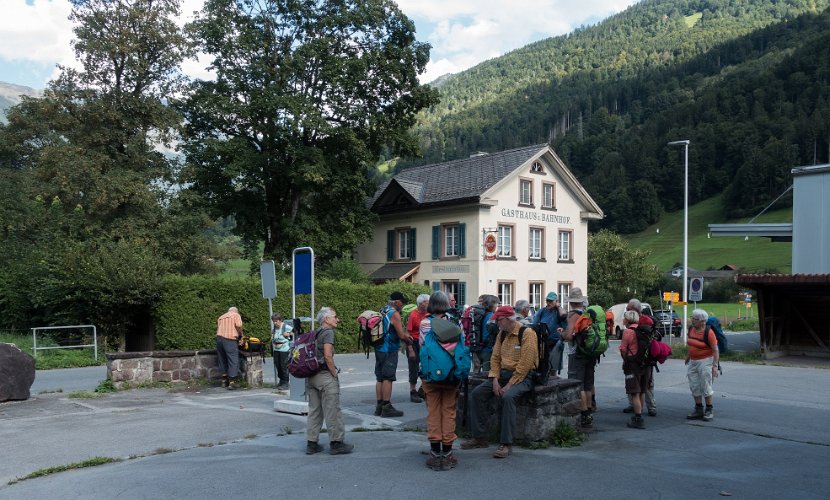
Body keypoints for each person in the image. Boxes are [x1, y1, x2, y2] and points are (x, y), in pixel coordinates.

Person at [461, 306, 538, 459]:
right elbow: (495, 358)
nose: (497, 323)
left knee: (508, 397)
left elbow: (526, 364)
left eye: (499, 320)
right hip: (503, 374)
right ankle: (480, 437)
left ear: (508, 319)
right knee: (477, 394)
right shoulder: (501, 334)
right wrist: (495, 380)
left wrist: (509, 385)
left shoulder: (527, 334)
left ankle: (506, 443)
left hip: (523, 376)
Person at [420, 291, 463, 471]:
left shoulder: (424, 323)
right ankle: (447, 453)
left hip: (430, 376)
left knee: (433, 412)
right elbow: (462, 346)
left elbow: (422, 347)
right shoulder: (454, 322)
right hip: (451, 375)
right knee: (449, 412)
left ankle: (434, 453)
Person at [305, 307, 353, 455]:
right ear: (326, 319)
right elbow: (327, 355)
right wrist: (334, 373)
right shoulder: (328, 333)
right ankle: (336, 443)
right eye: (335, 316)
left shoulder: (315, 333)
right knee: (332, 410)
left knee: (314, 411)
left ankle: (311, 444)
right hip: (325, 376)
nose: (337, 319)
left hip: (311, 376)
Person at [562, 288, 596, 429]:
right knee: (588, 383)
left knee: (578, 383)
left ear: (571, 303)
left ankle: (583, 414)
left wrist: (562, 334)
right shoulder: (588, 313)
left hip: (577, 353)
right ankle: (589, 411)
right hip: (590, 352)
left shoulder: (573, 315)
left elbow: (569, 336)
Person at [374, 291, 411, 418]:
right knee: (388, 378)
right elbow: (401, 335)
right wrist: (408, 338)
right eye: (402, 302)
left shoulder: (383, 309)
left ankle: (379, 406)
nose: (403, 305)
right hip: (389, 348)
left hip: (379, 347)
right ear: (396, 302)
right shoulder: (394, 314)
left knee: (379, 378)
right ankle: (386, 406)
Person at [623, 298, 658, 416]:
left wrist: (626, 358)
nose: (626, 310)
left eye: (628, 309)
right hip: (644, 358)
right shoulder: (645, 320)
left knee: (641, 385)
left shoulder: (643, 321)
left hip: (638, 359)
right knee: (642, 385)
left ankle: (647, 407)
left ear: (635, 309)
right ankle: (638, 406)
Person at [685, 309, 720, 422]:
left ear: (702, 321)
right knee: (694, 385)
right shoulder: (691, 329)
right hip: (693, 361)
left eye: (694, 319)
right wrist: (688, 356)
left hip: (706, 361)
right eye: (692, 318)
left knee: (705, 385)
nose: (692, 320)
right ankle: (699, 408)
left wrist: (715, 366)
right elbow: (691, 343)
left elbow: (715, 350)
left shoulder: (709, 333)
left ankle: (709, 409)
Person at [619, 310, 651, 429]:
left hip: (633, 364)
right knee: (642, 391)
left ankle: (638, 418)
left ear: (627, 320)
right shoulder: (643, 330)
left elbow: (623, 349)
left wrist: (625, 360)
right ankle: (640, 415)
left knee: (634, 392)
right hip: (645, 364)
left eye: (624, 318)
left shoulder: (627, 331)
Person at [532, 291, 566, 377]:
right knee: (544, 366)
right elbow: (534, 324)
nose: (548, 303)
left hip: (556, 342)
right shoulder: (542, 311)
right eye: (547, 301)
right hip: (543, 342)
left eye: (551, 301)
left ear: (556, 301)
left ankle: (553, 384)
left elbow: (564, 317)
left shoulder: (559, 312)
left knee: (553, 367)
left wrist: (558, 306)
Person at [406, 293, 430, 403]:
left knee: (426, 366)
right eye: (427, 302)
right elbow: (408, 333)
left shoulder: (429, 313)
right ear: (421, 304)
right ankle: (413, 391)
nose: (429, 304)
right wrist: (410, 350)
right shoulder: (413, 315)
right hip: (414, 342)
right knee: (413, 367)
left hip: (425, 342)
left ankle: (422, 389)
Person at [216, 307, 243, 390]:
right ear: (236, 311)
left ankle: (224, 381)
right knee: (233, 359)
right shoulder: (236, 315)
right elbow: (238, 325)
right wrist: (241, 335)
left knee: (222, 359)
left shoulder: (221, 317)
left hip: (219, 340)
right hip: (229, 340)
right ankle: (232, 382)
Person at [472, 294, 499, 373]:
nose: (496, 306)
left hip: (477, 348)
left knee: (476, 373)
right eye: (496, 304)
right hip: (487, 350)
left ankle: (474, 385)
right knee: (486, 374)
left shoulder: (479, 315)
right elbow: (494, 332)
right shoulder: (492, 316)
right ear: (492, 304)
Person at [271, 313, 293, 391]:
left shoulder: (285, 326)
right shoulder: (275, 327)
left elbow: (295, 333)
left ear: (280, 320)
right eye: (273, 321)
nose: (274, 323)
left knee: (284, 365)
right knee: (277, 365)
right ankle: (281, 381)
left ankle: (286, 383)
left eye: (276, 321)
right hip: (276, 348)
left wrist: (288, 334)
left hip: (284, 349)